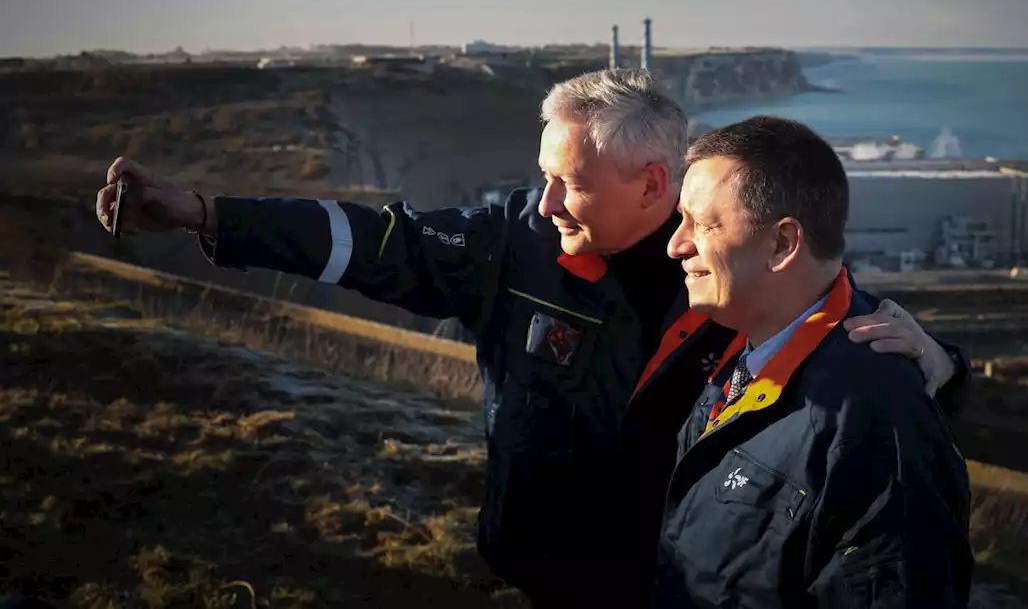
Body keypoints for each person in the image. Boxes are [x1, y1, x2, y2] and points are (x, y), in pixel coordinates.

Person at [95, 69, 971, 607]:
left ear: (653, 185)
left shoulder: (723, 267)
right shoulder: (512, 243)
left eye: (571, 184)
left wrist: (942, 366)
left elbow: (834, 328)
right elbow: (368, 243)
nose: (544, 204)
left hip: (664, 580)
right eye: (542, 177)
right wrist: (207, 215)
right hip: (540, 565)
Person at [652, 116, 972, 607]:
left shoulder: (872, 428)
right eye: (681, 221)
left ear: (782, 244)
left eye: (704, 224)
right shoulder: (751, 345)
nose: (677, 244)